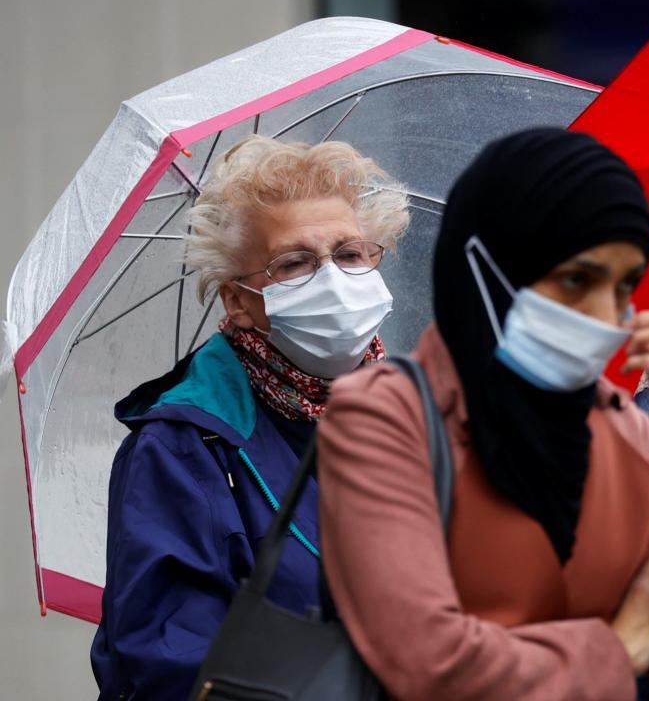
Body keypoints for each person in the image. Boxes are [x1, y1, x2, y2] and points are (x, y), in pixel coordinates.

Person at [315, 128, 649, 701]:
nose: (607, 316)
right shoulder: (386, 416)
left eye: (624, 287)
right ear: (487, 265)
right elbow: (432, 664)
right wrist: (619, 649)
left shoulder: (624, 427)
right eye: (576, 280)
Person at [90, 136, 410, 699]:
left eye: (350, 253)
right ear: (238, 301)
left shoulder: (423, 422)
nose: (334, 280)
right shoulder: (183, 451)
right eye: (295, 263)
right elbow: (173, 671)